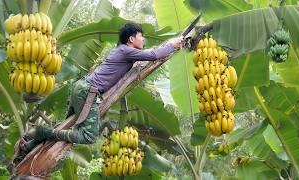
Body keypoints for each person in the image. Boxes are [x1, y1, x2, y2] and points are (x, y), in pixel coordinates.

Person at [12, 22, 184, 163]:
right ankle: (43, 131)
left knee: (67, 125)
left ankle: (28, 146)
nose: (144, 39)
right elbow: (154, 55)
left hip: (81, 87)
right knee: (88, 136)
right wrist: (172, 45)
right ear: (131, 39)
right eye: (141, 36)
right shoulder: (125, 50)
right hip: (88, 92)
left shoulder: (120, 51)